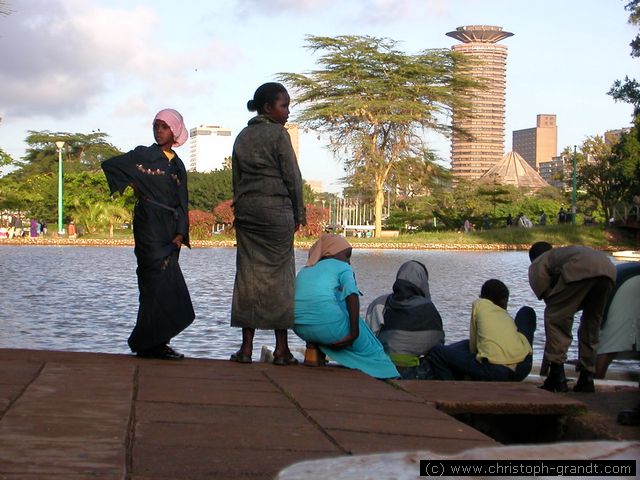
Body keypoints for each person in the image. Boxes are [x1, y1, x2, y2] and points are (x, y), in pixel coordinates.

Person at [101, 108, 194, 360]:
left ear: (174, 130)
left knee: (169, 285)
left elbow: (182, 202)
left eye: (164, 126)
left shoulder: (177, 165)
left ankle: (157, 341)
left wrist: (180, 233)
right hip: (148, 225)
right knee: (152, 282)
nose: (159, 130)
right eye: (156, 126)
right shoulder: (143, 154)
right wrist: (134, 184)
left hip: (170, 230)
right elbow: (110, 165)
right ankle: (149, 342)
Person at [230, 82, 306, 366]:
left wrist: (241, 207)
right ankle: (282, 349)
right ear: (267, 108)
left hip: (248, 211)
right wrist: (300, 213)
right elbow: (292, 177)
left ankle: (246, 348)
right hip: (276, 211)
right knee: (280, 277)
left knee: (248, 276)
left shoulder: (242, 136)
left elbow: (236, 179)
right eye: (283, 105)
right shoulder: (278, 135)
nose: (287, 111)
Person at [294, 234, 399, 379]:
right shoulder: (342, 267)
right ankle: (389, 375)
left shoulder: (305, 269)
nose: (349, 262)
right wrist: (354, 333)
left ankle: (313, 348)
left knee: (331, 302)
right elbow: (352, 295)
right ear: (332, 251)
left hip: (300, 329)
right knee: (373, 348)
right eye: (347, 255)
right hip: (327, 327)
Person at [528, 242, 616, 392]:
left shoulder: (539, 261)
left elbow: (550, 301)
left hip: (580, 270)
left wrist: (563, 313)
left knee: (555, 319)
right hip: (608, 270)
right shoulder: (564, 254)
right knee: (591, 323)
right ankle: (586, 378)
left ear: (532, 257)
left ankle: (557, 376)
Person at [426, 279, 535, 382]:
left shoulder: (479, 304)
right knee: (527, 311)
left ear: (482, 297)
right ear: (504, 300)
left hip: (496, 372)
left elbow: (474, 347)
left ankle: (453, 389)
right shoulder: (503, 314)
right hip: (523, 367)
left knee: (437, 351)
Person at [365, 260, 444, 373]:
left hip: (383, 365)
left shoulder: (379, 303)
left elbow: (369, 338)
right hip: (419, 368)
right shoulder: (429, 308)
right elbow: (437, 342)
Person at [595, 262, 640, 379]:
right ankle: (596, 377)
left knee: (609, 336)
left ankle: (597, 378)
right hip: (625, 283)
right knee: (612, 335)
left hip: (624, 283)